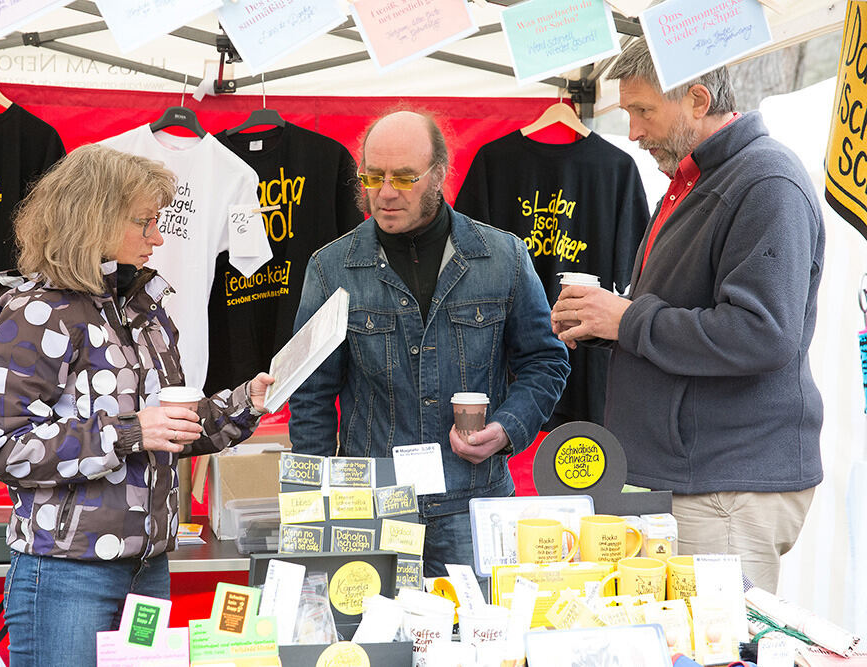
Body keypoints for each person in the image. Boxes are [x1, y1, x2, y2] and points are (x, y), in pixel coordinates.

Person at [0, 143, 274, 667]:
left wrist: (245, 402)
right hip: (68, 574)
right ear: (93, 220)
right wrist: (129, 432)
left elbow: (171, 428)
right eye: (145, 222)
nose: (158, 237)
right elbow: (4, 448)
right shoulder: (37, 315)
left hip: (148, 568)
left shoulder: (143, 310)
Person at [550, 39, 825, 593]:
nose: (631, 131)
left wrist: (626, 320)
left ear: (698, 100)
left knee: (716, 645)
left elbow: (762, 334)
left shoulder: (765, 181)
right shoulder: (694, 181)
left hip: (726, 484)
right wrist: (607, 322)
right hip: (691, 477)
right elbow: (684, 311)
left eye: (643, 111)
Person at [288, 110, 570, 577]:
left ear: (438, 175)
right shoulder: (330, 268)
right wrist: (312, 513)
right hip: (371, 508)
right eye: (373, 176)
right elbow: (311, 395)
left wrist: (505, 429)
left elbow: (544, 362)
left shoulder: (503, 258)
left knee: (480, 645)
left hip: (472, 504)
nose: (386, 191)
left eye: (404, 176)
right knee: (374, 647)